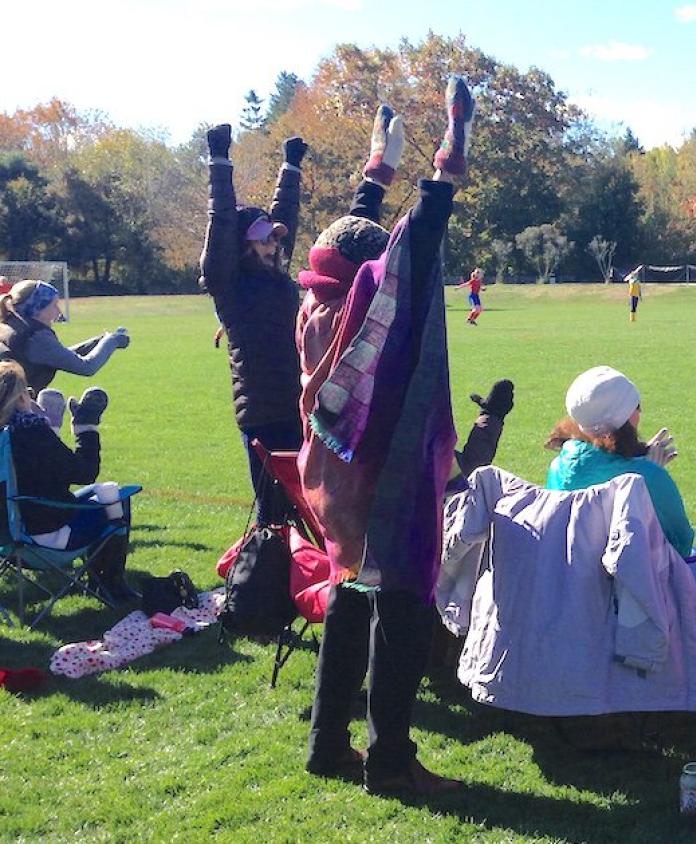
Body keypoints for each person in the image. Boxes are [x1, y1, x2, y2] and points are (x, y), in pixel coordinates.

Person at [298, 82, 472, 796]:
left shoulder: (316, 301)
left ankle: (326, 744)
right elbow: (412, 244)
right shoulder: (381, 315)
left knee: (347, 600)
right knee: (401, 607)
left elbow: (354, 242)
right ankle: (392, 764)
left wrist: (378, 172)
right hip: (383, 485)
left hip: (331, 487)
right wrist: (449, 153)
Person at [199, 123, 307, 528]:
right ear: (242, 244)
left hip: (299, 404)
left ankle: (304, 581)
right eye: (263, 240)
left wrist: (291, 167)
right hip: (263, 412)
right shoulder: (228, 281)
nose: (273, 245)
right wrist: (219, 159)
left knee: (307, 506)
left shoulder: (276, 274)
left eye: (274, 240)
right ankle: (264, 584)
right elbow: (222, 219)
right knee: (273, 512)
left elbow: (285, 217)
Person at [543, 365, 696, 592]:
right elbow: (680, 544)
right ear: (629, 416)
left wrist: (639, 462)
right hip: (632, 598)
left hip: (577, 591)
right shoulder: (647, 478)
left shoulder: (558, 467)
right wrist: (649, 475)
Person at [0, 362, 136, 603]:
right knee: (117, 498)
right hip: (44, 539)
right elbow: (85, 472)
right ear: (21, 398)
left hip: (6, 539)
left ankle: (101, 581)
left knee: (98, 492)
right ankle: (109, 583)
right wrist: (86, 430)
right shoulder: (30, 433)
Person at [0, 281, 129, 391]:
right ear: (37, 309)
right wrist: (113, 341)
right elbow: (86, 367)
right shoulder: (36, 337)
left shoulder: (11, 324)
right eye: (54, 305)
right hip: (13, 413)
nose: (59, 312)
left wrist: (98, 342)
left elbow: (58, 355)